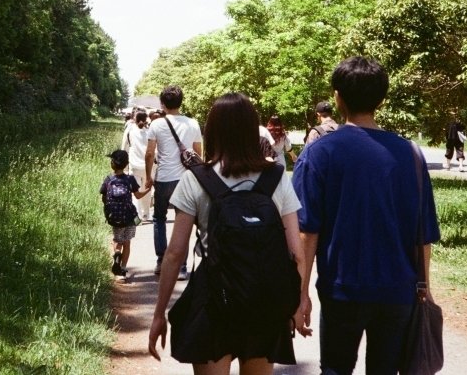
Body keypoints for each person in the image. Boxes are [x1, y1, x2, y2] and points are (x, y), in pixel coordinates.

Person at [293, 57, 440, 375]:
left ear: (337, 97)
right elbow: (422, 232)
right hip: (397, 291)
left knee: (335, 369)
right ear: (382, 99)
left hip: (342, 290)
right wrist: (424, 287)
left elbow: (306, 232)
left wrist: (300, 294)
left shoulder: (319, 154)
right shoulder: (411, 154)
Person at [148, 92, 310, 374]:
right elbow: (296, 253)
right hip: (264, 301)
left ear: (213, 131)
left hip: (213, 302)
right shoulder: (276, 178)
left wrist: (159, 313)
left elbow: (175, 254)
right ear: (252, 130)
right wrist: (295, 305)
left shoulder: (195, 179)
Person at [146, 85, 203, 279]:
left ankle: (161, 261)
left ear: (162, 103)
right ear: (181, 102)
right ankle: (181, 267)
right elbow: (198, 153)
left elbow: (149, 153)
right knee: (184, 222)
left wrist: (148, 176)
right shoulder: (192, 123)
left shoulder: (156, 125)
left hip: (163, 178)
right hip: (186, 179)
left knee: (159, 218)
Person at [101, 149, 152, 278]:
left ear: (112, 164)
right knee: (127, 243)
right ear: (126, 164)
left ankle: (117, 253)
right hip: (129, 217)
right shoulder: (130, 179)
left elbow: (104, 198)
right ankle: (123, 269)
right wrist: (148, 189)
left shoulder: (108, 179)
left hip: (115, 218)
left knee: (117, 241)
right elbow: (138, 195)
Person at [124, 110, 153, 220]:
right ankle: (146, 214)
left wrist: (124, 166)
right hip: (147, 167)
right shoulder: (150, 132)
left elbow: (124, 148)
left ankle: (137, 216)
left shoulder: (130, 131)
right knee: (147, 190)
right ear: (146, 120)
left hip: (134, 165)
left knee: (135, 192)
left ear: (134, 119)